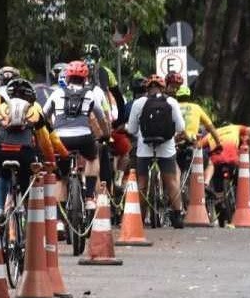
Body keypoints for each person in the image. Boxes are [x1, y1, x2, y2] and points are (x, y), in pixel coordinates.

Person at [0, 78, 64, 220]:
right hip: (24, 152)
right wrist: (52, 162)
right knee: (26, 179)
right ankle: (27, 214)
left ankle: (0, 210)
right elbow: (45, 142)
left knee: (2, 176)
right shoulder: (35, 110)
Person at [43, 61, 110, 207]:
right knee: (92, 158)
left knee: (61, 178)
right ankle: (89, 197)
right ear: (85, 78)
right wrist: (106, 134)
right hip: (84, 137)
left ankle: (60, 221)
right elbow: (102, 119)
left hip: (60, 139)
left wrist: (51, 130)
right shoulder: (90, 94)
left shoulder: (57, 93)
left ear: (67, 78)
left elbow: (44, 115)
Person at [125, 74, 186, 227]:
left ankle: (139, 217)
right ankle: (177, 217)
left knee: (142, 182)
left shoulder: (138, 103)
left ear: (147, 88)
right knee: (171, 180)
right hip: (166, 148)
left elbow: (132, 129)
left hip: (145, 148)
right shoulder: (171, 102)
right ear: (163, 88)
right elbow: (180, 128)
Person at [175, 85, 221, 175]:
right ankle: (204, 184)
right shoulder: (196, 108)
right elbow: (211, 128)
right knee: (209, 164)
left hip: (175, 142)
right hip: (192, 143)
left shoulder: (172, 106)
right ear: (189, 97)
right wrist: (218, 143)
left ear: (177, 96)